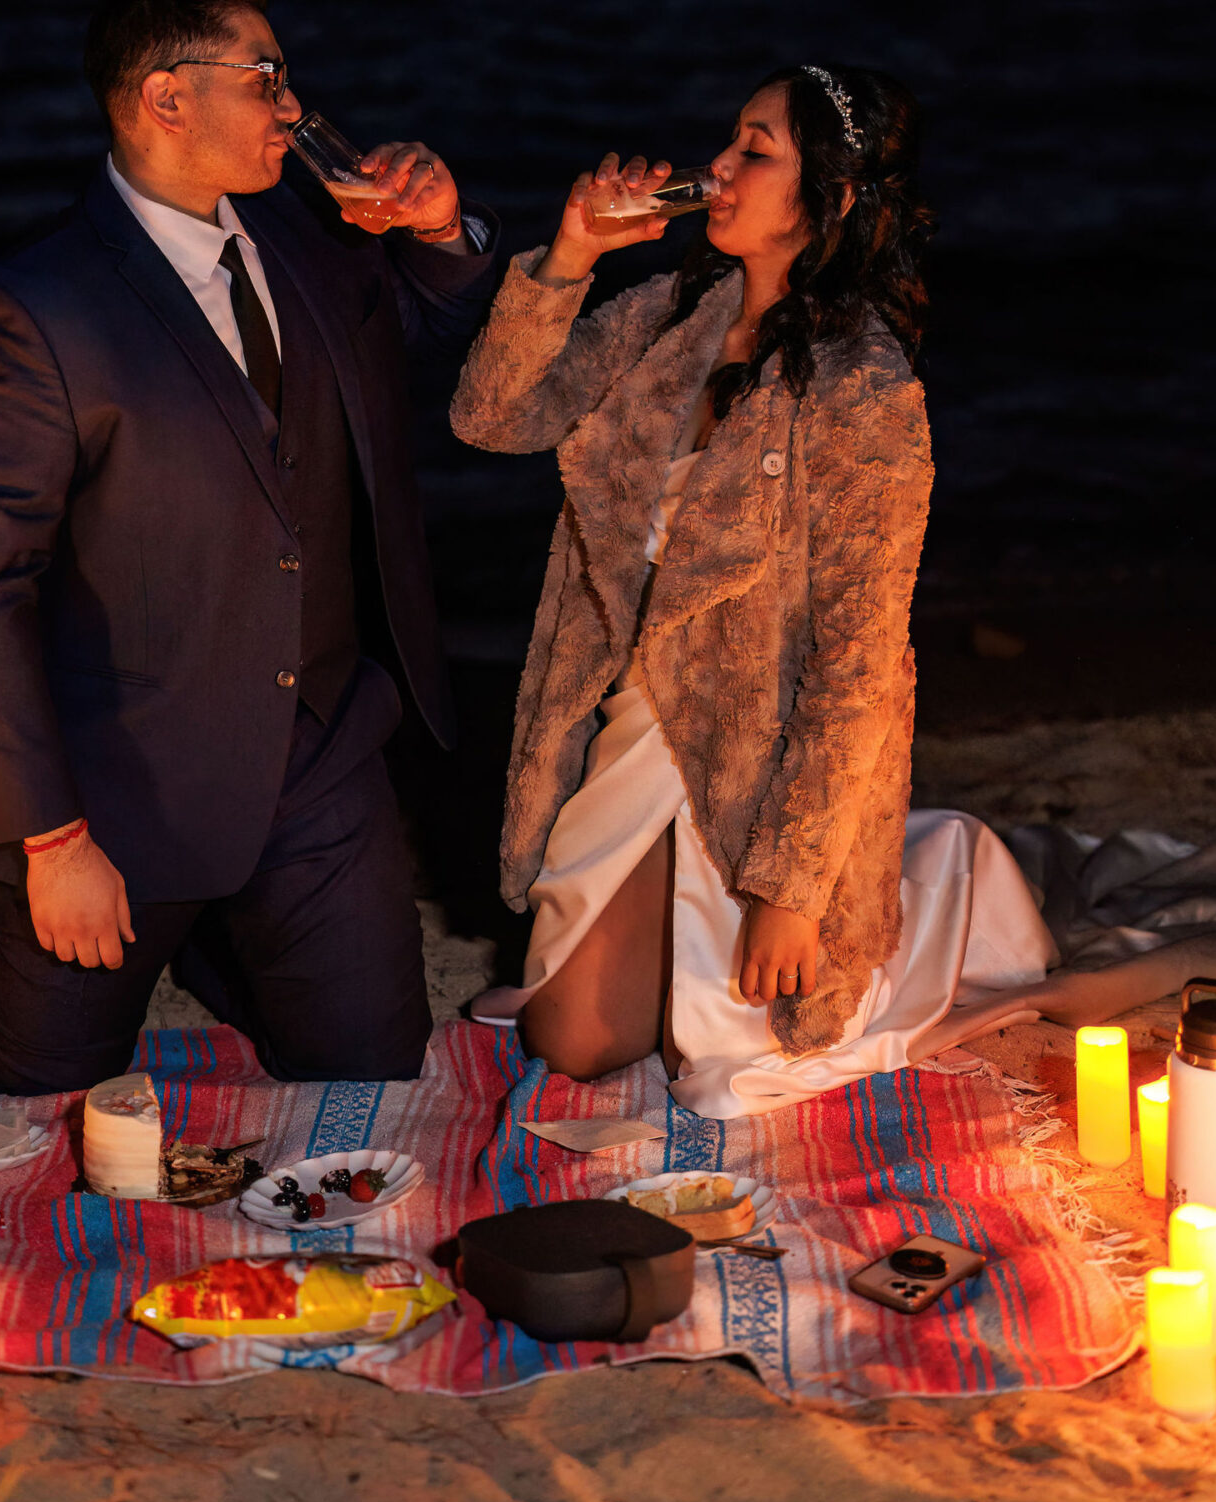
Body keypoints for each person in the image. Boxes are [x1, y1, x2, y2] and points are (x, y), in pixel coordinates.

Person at [0, 0, 499, 1093]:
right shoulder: (37, 309)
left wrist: (438, 228)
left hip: (323, 751)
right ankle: (130, 925)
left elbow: (434, 314)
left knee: (373, 1080)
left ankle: (241, 940)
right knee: (27, 1094)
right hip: (123, 788)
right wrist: (49, 838)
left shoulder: (317, 236)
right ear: (167, 98)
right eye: (266, 77)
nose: (294, 105)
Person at [451, 64, 1053, 1117]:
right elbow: (490, 418)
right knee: (572, 1041)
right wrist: (573, 255)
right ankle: (890, 856)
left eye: (755, 151)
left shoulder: (866, 387)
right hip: (633, 720)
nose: (717, 168)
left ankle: (894, 866)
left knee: (705, 1055)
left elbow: (858, 660)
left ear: (832, 199)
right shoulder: (663, 318)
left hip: (762, 752)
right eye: (729, 143)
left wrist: (791, 890)